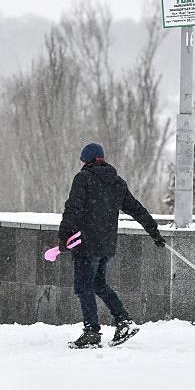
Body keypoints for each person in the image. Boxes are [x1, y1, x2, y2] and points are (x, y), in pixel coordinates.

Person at [58, 142, 166, 349]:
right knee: (98, 284)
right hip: (106, 244)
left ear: (86, 160)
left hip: (86, 243)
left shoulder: (83, 178)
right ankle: (123, 321)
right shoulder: (116, 182)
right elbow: (136, 209)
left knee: (83, 287)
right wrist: (154, 232)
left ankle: (92, 332)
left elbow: (73, 207)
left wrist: (64, 235)